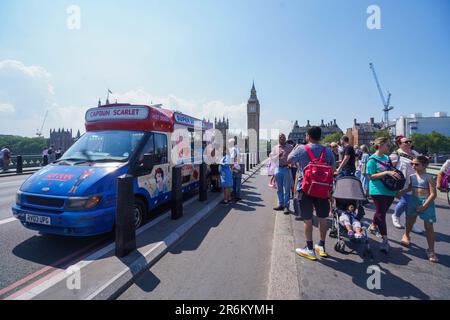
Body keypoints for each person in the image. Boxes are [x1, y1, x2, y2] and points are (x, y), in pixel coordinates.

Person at [288, 126, 336, 260]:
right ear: (320, 137)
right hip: (322, 190)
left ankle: (309, 248)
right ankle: (321, 245)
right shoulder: (327, 151)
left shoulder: (301, 148)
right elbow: (333, 169)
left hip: (306, 188)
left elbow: (288, 160)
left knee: (307, 219)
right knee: (322, 218)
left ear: (308, 136)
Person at [398, 156, 438, 263]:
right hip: (414, 200)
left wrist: (424, 205)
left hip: (426, 202)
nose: (413, 166)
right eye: (412, 164)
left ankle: (431, 250)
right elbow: (411, 188)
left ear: (424, 165)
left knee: (428, 226)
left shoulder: (429, 178)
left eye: (416, 164)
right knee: (410, 220)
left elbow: (433, 194)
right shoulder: (412, 176)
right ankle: (406, 235)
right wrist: (401, 192)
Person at [366, 137, 401, 254]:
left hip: (389, 190)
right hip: (377, 190)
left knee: (381, 212)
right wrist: (386, 172)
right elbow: (370, 176)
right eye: (387, 145)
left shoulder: (387, 158)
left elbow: (392, 172)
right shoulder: (371, 160)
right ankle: (385, 240)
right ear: (380, 145)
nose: (389, 147)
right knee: (381, 214)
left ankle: (373, 225)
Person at [390, 135, 423, 233]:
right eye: (406, 142)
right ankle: (395, 215)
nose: (409, 143)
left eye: (410, 141)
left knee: (413, 203)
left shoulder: (415, 153)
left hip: (416, 181)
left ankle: (410, 223)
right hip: (403, 182)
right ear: (399, 144)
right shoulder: (397, 154)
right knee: (405, 201)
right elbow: (389, 167)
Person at [271, 133, 294, 214]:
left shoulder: (290, 147)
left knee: (287, 188)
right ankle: (281, 204)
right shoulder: (275, 148)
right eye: (280, 137)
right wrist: (278, 155)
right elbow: (272, 159)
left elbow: (294, 157)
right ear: (278, 139)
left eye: (283, 137)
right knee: (279, 188)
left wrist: (292, 163)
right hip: (278, 168)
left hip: (286, 168)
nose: (282, 138)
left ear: (285, 138)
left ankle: (286, 206)